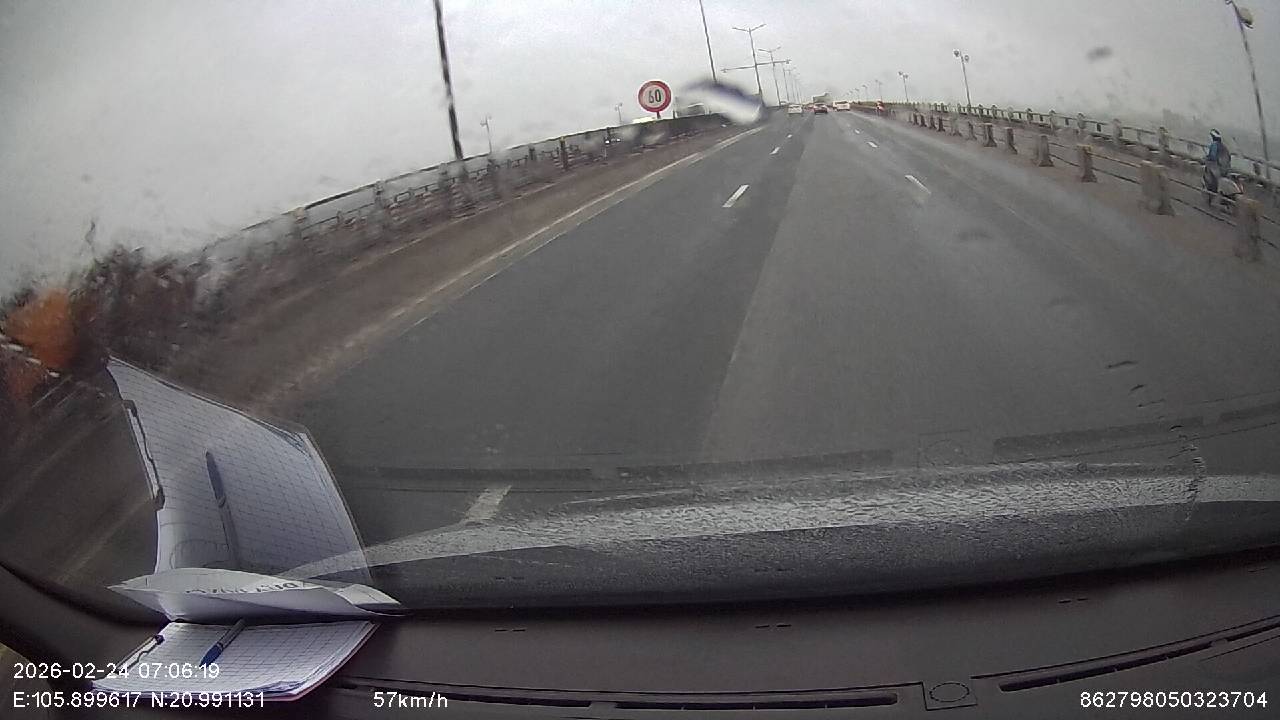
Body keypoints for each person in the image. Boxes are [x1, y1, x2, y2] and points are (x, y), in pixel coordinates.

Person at [1204, 129, 1231, 196]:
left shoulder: (1214, 145)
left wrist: (1207, 158)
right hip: (1226, 168)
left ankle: (1211, 190)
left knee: (1209, 172)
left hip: (1219, 168)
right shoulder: (1223, 146)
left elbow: (1212, 157)